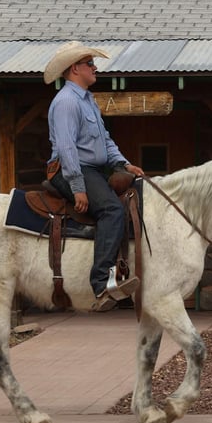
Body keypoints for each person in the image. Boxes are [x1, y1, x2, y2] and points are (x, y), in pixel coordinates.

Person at [43, 41, 145, 311]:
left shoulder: (88, 100)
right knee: (112, 210)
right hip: (70, 169)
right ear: (75, 68)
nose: (94, 67)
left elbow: (105, 140)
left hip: (93, 169)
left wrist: (124, 164)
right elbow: (67, 149)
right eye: (89, 63)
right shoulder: (66, 102)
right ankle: (101, 284)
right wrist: (77, 187)